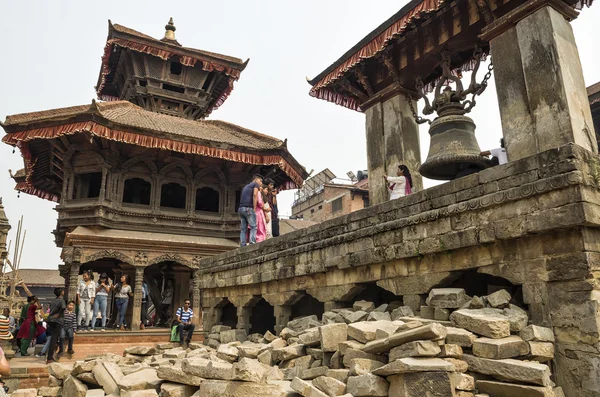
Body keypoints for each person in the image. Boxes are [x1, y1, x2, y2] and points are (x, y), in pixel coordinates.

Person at [238, 174, 263, 246]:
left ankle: (243, 244)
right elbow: (255, 195)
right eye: (260, 181)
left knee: (243, 229)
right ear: (255, 180)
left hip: (241, 209)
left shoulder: (246, 186)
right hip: (248, 208)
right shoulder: (255, 184)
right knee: (253, 227)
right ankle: (252, 243)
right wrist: (254, 207)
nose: (261, 183)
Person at [45, 288, 65, 364]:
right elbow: (63, 308)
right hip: (57, 321)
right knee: (54, 339)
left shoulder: (53, 300)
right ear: (61, 293)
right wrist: (59, 314)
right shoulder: (61, 301)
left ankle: (51, 356)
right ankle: (49, 358)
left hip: (50, 320)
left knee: (54, 338)